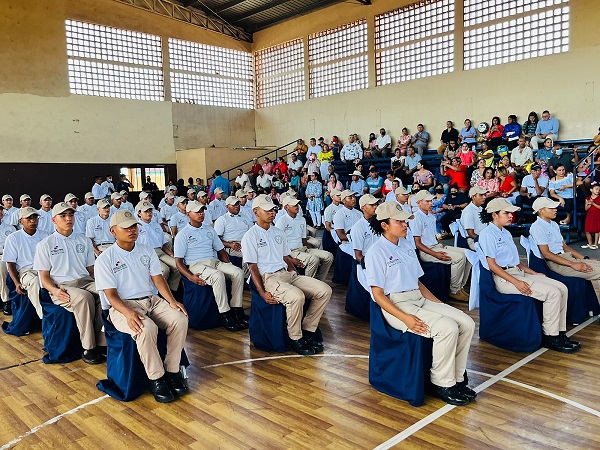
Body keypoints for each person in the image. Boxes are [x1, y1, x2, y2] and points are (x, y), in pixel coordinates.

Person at [365, 201, 476, 406]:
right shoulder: (376, 252)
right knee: (447, 328)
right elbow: (378, 295)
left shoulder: (406, 245)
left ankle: (457, 377)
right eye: (400, 221)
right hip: (396, 305)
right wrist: (405, 318)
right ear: (384, 225)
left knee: (466, 323)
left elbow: (417, 281)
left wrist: (441, 305)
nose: (406, 225)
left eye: (406, 221)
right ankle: (442, 382)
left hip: (418, 297)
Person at [95, 209, 189, 403]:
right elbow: (110, 295)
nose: (132, 230)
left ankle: (172, 371)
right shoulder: (105, 258)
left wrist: (172, 301)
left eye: (134, 226)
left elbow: (158, 280)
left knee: (180, 318)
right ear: (113, 231)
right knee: (146, 328)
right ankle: (157, 378)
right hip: (122, 306)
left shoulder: (146, 250)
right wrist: (128, 313)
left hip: (150, 300)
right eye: (127, 227)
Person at [478, 198, 578, 353]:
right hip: (504, 279)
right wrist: (516, 282)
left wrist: (533, 273)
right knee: (552, 293)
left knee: (561, 288)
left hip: (518, 272)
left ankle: (559, 332)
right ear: (494, 215)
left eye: (511, 213)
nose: (511, 216)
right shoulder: (487, 234)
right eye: (506, 213)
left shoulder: (505, 233)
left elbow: (516, 262)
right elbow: (492, 265)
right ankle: (550, 336)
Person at [241, 194, 332, 355]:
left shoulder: (278, 232)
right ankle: (295, 338)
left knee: (324, 290)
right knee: (296, 297)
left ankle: (308, 329)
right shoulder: (250, 236)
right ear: (256, 212)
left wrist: (294, 273)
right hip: (268, 277)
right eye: (267, 210)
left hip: (286, 273)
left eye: (273, 210)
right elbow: (252, 267)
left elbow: (285, 257)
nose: (272, 213)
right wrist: (262, 292)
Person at [34, 202, 106, 364]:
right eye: (63, 216)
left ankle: (102, 342)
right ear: (54, 220)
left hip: (85, 281)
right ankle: (89, 347)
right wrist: (55, 291)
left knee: (105, 293)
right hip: (62, 286)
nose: (68, 219)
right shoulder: (45, 244)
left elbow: (91, 269)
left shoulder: (83, 240)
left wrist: (103, 284)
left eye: (71, 215)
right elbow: (44, 277)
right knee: (84, 298)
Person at [174, 201, 246, 331]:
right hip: (196, 264)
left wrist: (228, 266)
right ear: (188, 214)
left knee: (238, 272)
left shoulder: (209, 229)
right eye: (197, 212)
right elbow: (178, 261)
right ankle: (225, 314)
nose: (201, 214)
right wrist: (190, 277)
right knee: (218, 276)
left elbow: (221, 250)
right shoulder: (182, 234)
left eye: (202, 211)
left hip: (213, 261)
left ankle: (237, 310)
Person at [410, 190, 471, 302]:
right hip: (427, 251)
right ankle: (454, 290)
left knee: (468, 254)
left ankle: (460, 287)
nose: (431, 203)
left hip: (436, 246)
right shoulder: (416, 218)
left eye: (431, 201)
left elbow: (432, 237)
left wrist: (440, 245)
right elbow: (417, 243)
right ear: (419, 203)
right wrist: (435, 254)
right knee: (459, 258)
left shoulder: (431, 217)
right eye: (427, 201)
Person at [530, 196, 600, 290]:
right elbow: (546, 254)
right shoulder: (537, 227)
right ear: (541, 210)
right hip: (556, 263)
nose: (555, 210)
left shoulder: (554, 224)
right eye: (551, 208)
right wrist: (572, 264)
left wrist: (585, 259)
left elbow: (564, 247)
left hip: (566, 258)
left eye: (555, 208)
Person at [3, 207, 48, 318]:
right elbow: (10, 264)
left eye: (35, 218)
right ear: (20, 221)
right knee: (36, 282)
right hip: (26, 271)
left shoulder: (45, 235)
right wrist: (17, 283)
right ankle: (44, 316)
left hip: (45, 269)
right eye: (28, 218)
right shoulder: (13, 238)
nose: (33, 221)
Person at [275, 197, 333, 281]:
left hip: (303, 248)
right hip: (291, 251)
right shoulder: (281, 221)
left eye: (297, 204)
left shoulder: (302, 219)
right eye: (294, 205)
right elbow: (278, 244)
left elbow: (304, 240)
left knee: (328, 256)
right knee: (314, 259)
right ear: (286, 207)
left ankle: (319, 281)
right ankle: (308, 285)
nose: (297, 206)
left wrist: (312, 249)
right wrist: (290, 259)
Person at [136, 201, 181, 292]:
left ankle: (171, 289)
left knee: (178, 265)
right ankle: (157, 292)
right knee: (164, 270)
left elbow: (163, 243)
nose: (149, 213)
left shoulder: (156, 225)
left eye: (150, 211)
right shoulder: (136, 227)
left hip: (159, 251)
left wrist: (171, 254)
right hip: (146, 253)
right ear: (139, 213)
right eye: (146, 211)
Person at [213, 196, 253, 276]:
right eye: (234, 205)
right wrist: (230, 244)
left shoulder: (245, 218)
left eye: (238, 204)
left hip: (245, 243)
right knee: (248, 254)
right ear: (227, 206)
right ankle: (245, 278)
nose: (237, 206)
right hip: (230, 245)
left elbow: (251, 233)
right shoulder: (222, 219)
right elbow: (215, 239)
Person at [351, 194, 379, 263]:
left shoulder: (381, 223)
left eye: (376, 204)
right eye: (372, 205)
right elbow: (358, 255)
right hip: (368, 262)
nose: (375, 207)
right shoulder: (358, 228)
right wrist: (370, 265)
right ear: (363, 208)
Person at [0, 207, 15, 313]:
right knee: (1, 267)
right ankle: (5, 300)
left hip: (8, 256)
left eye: (0, 212)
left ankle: (8, 300)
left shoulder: (10, 228)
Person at [583, 183, 600, 249]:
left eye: (599, 189)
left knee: (596, 230)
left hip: (597, 215)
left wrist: (593, 203)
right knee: (587, 230)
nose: (598, 191)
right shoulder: (587, 198)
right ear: (591, 190)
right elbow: (586, 208)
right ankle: (590, 243)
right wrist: (589, 204)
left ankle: (595, 244)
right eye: (596, 189)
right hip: (590, 215)